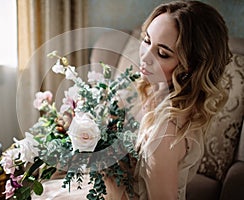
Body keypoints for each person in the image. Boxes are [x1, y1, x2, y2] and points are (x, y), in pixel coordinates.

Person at [35, 1, 231, 199]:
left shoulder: (164, 135)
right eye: (146, 40)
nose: (145, 57)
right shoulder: (150, 86)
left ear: (191, 66)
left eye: (162, 53)